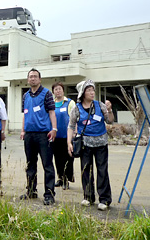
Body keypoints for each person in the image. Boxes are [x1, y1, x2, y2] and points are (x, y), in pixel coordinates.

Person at [67, 79, 114, 211]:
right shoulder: (76, 109)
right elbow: (71, 126)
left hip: (101, 143)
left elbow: (110, 120)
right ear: (82, 93)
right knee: (86, 171)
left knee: (102, 170)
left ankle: (104, 199)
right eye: (89, 90)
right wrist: (69, 143)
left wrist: (109, 110)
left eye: (93, 90)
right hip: (85, 144)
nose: (92, 92)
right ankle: (88, 196)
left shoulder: (100, 105)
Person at [19, 68, 57, 206]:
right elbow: (25, 114)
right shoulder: (25, 96)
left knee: (47, 165)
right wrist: (23, 130)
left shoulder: (46, 94)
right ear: (28, 79)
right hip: (29, 135)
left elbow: (52, 112)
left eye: (35, 76)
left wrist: (54, 129)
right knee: (30, 165)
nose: (33, 79)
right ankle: (31, 190)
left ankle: (49, 194)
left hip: (44, 134)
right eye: (30, 77)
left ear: (40, 79)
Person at [51, 81, 76, 190]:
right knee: (57, 158)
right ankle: (60, 178)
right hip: (56, 136)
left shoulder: (70, 103)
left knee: (68, 158)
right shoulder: (51, 103)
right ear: (53, 92)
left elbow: (75, 118)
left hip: (67, 136)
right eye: (56, 89)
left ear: (63, 90)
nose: (58, 91)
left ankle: (67, 178)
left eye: (60, 89)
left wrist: (75, 131)